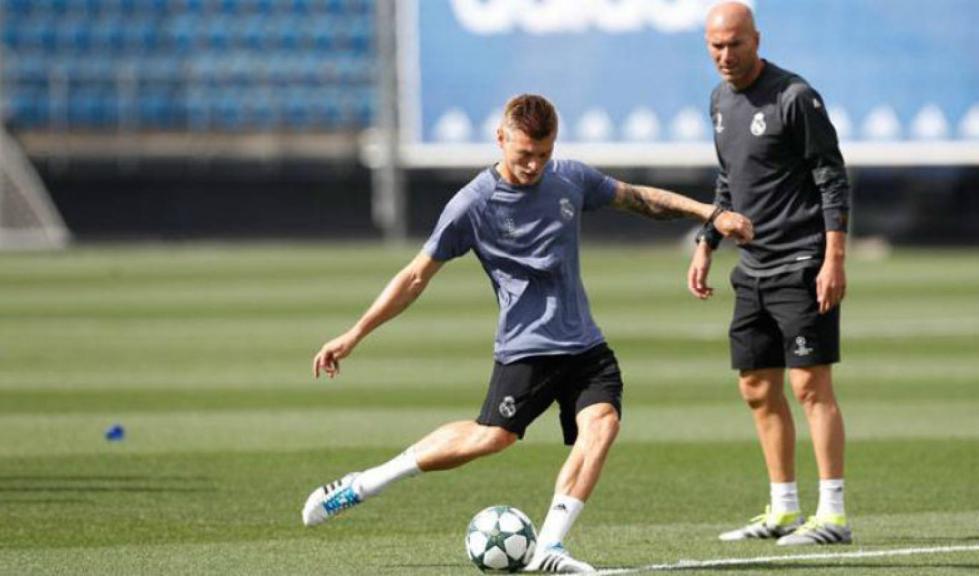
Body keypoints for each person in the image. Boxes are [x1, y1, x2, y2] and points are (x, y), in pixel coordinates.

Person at [303, 93, 754, 573]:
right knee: (490, 438)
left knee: (601, 425)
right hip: (528, 348)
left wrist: (710, 213)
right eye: (523, 155)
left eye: (543, 153)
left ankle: (550, 548)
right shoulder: (472, 205)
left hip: (585, 344)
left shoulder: (569, 178)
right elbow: (415, 277)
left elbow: (639, 199)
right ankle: (367, 482)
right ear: (501, 139)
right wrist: (353, 335)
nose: (534, 165)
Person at [688, 2, 853, 546]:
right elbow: (728, 181)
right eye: (715, 45)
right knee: (757, 387)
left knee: (810, 385)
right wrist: (707, 242)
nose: (724, 55)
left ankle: (832, 515)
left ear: (756, 39)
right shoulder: (718, 100)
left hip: (802, 262)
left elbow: (831, 178)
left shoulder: (795, 97)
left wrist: (834, 259)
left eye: (734, 43)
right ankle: (783, 508)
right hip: (751, 268)